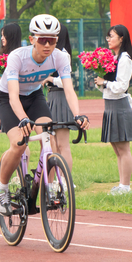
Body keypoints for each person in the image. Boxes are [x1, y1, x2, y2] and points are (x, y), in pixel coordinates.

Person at [0, 15, 88, 216]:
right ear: (32, 39)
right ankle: (1, 189)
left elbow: (69, 90)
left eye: (52, 40)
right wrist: (23, 118)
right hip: (8, 99)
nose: (47, 45)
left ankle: (51, 186)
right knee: (19, 144)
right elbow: (12, 96)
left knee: (49, 138)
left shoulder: (60, 57)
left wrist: (78, 115)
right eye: (42, 40)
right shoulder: (17, 57)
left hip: (34, 96)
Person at [95, 24, 132, 195]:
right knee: (116, 148)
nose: (109, 40)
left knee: (123, 148)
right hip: (110, 105)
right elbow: (108, 88)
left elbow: (122, 86)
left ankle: (126, 186)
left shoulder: (124, 59)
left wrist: (104, 83)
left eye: (112, 36)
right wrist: (100, 82)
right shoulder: (113, 58)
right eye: (108, 36)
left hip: (120, 105)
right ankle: (121, 185)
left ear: (122, 38)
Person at [43, 23, 80, 169]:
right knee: (54, 145)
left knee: (62, 145)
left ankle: (66, 180)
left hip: (61, 98)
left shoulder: (63, 54)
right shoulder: (52, 53)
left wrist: (49, 79)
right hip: (52, 97)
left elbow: (66, 82)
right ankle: (57, 180)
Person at [0, 23, 22, 89]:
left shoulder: (20, 57)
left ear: (11, 36)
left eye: (4, 35)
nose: (1, 38)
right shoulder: (2, 57)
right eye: (1, 35)